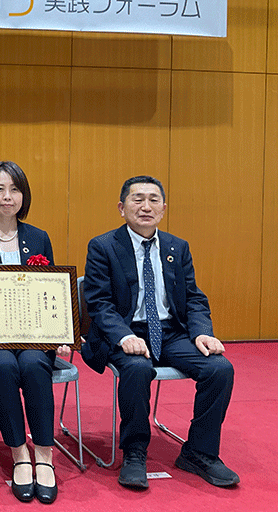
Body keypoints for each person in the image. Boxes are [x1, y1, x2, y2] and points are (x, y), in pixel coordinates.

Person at [82, 175, 238, 490]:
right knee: (138, 368)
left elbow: (193, 298)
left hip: (169, 332)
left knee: (220, 369)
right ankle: (135, 451)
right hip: (123, 332)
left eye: (154, 200)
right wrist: (124, 336)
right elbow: (98, 303)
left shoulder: (176, 247)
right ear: (121, 207)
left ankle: (199, 452)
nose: (146, 206)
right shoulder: (103, 246)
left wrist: (202, 333)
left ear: (163, 209)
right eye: (137, 199)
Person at [0, 161, 68, 505]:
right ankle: (20, 453)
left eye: (15, 189)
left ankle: (45, 455)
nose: (8, 197)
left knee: (35, 364)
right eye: (0, 189)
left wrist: (59, 330)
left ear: (24, 196)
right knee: (4, 367)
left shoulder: (39, 237)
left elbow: (51, 289)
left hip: (34, 334)